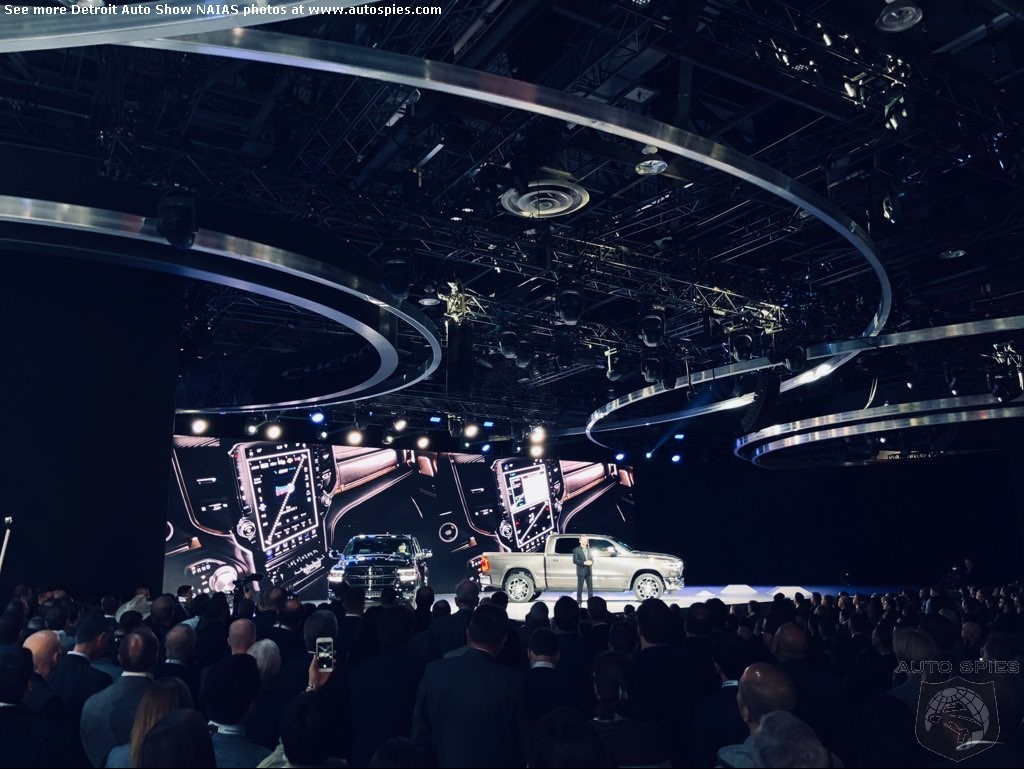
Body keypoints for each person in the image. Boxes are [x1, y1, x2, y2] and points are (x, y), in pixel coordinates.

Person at [573, 536, 594, 605]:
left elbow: (592, 558)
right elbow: (575, 560)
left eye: (586, 540)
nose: (586, 541)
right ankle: (579, 602)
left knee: (590, 588)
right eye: (584, 540)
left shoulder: (589, 549)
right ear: (580, 541)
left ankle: (591, 601)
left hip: (589, 571)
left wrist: (591, 562)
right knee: (580, 588)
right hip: (581, 571)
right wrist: (584, 563)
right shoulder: (576, 550)